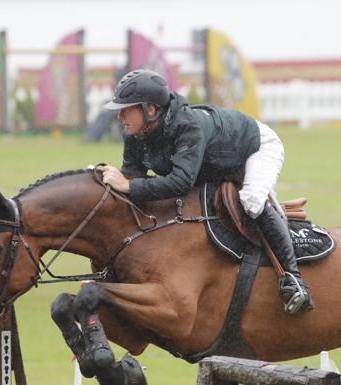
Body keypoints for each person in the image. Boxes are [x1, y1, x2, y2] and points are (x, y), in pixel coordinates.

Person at [101, 69, 314, 314]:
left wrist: (128, 185)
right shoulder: (136, 134)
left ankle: (294, 279)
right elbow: (133, 174)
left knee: (252, 201)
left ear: (150, 110)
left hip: (255, 148)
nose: (120, 117)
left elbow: (180, 183)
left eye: (126, 109)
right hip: (215, 164)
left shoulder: (187, 126)